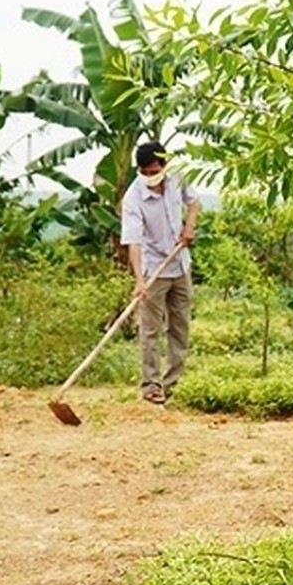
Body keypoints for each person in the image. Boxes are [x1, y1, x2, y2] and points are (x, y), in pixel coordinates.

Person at [120, 141, 201, 405]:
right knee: (150, 330)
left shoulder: (177, 175)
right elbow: (133, 242)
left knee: (180, 328)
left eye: (154, 171)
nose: (149, 177)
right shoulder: (133, 197)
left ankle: (172, 385)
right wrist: (140, 281)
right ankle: (151, 386)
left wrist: (189, 227)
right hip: (154, 267)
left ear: (164, 166)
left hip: (180, 263)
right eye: (144, 173)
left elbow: (194, 201)